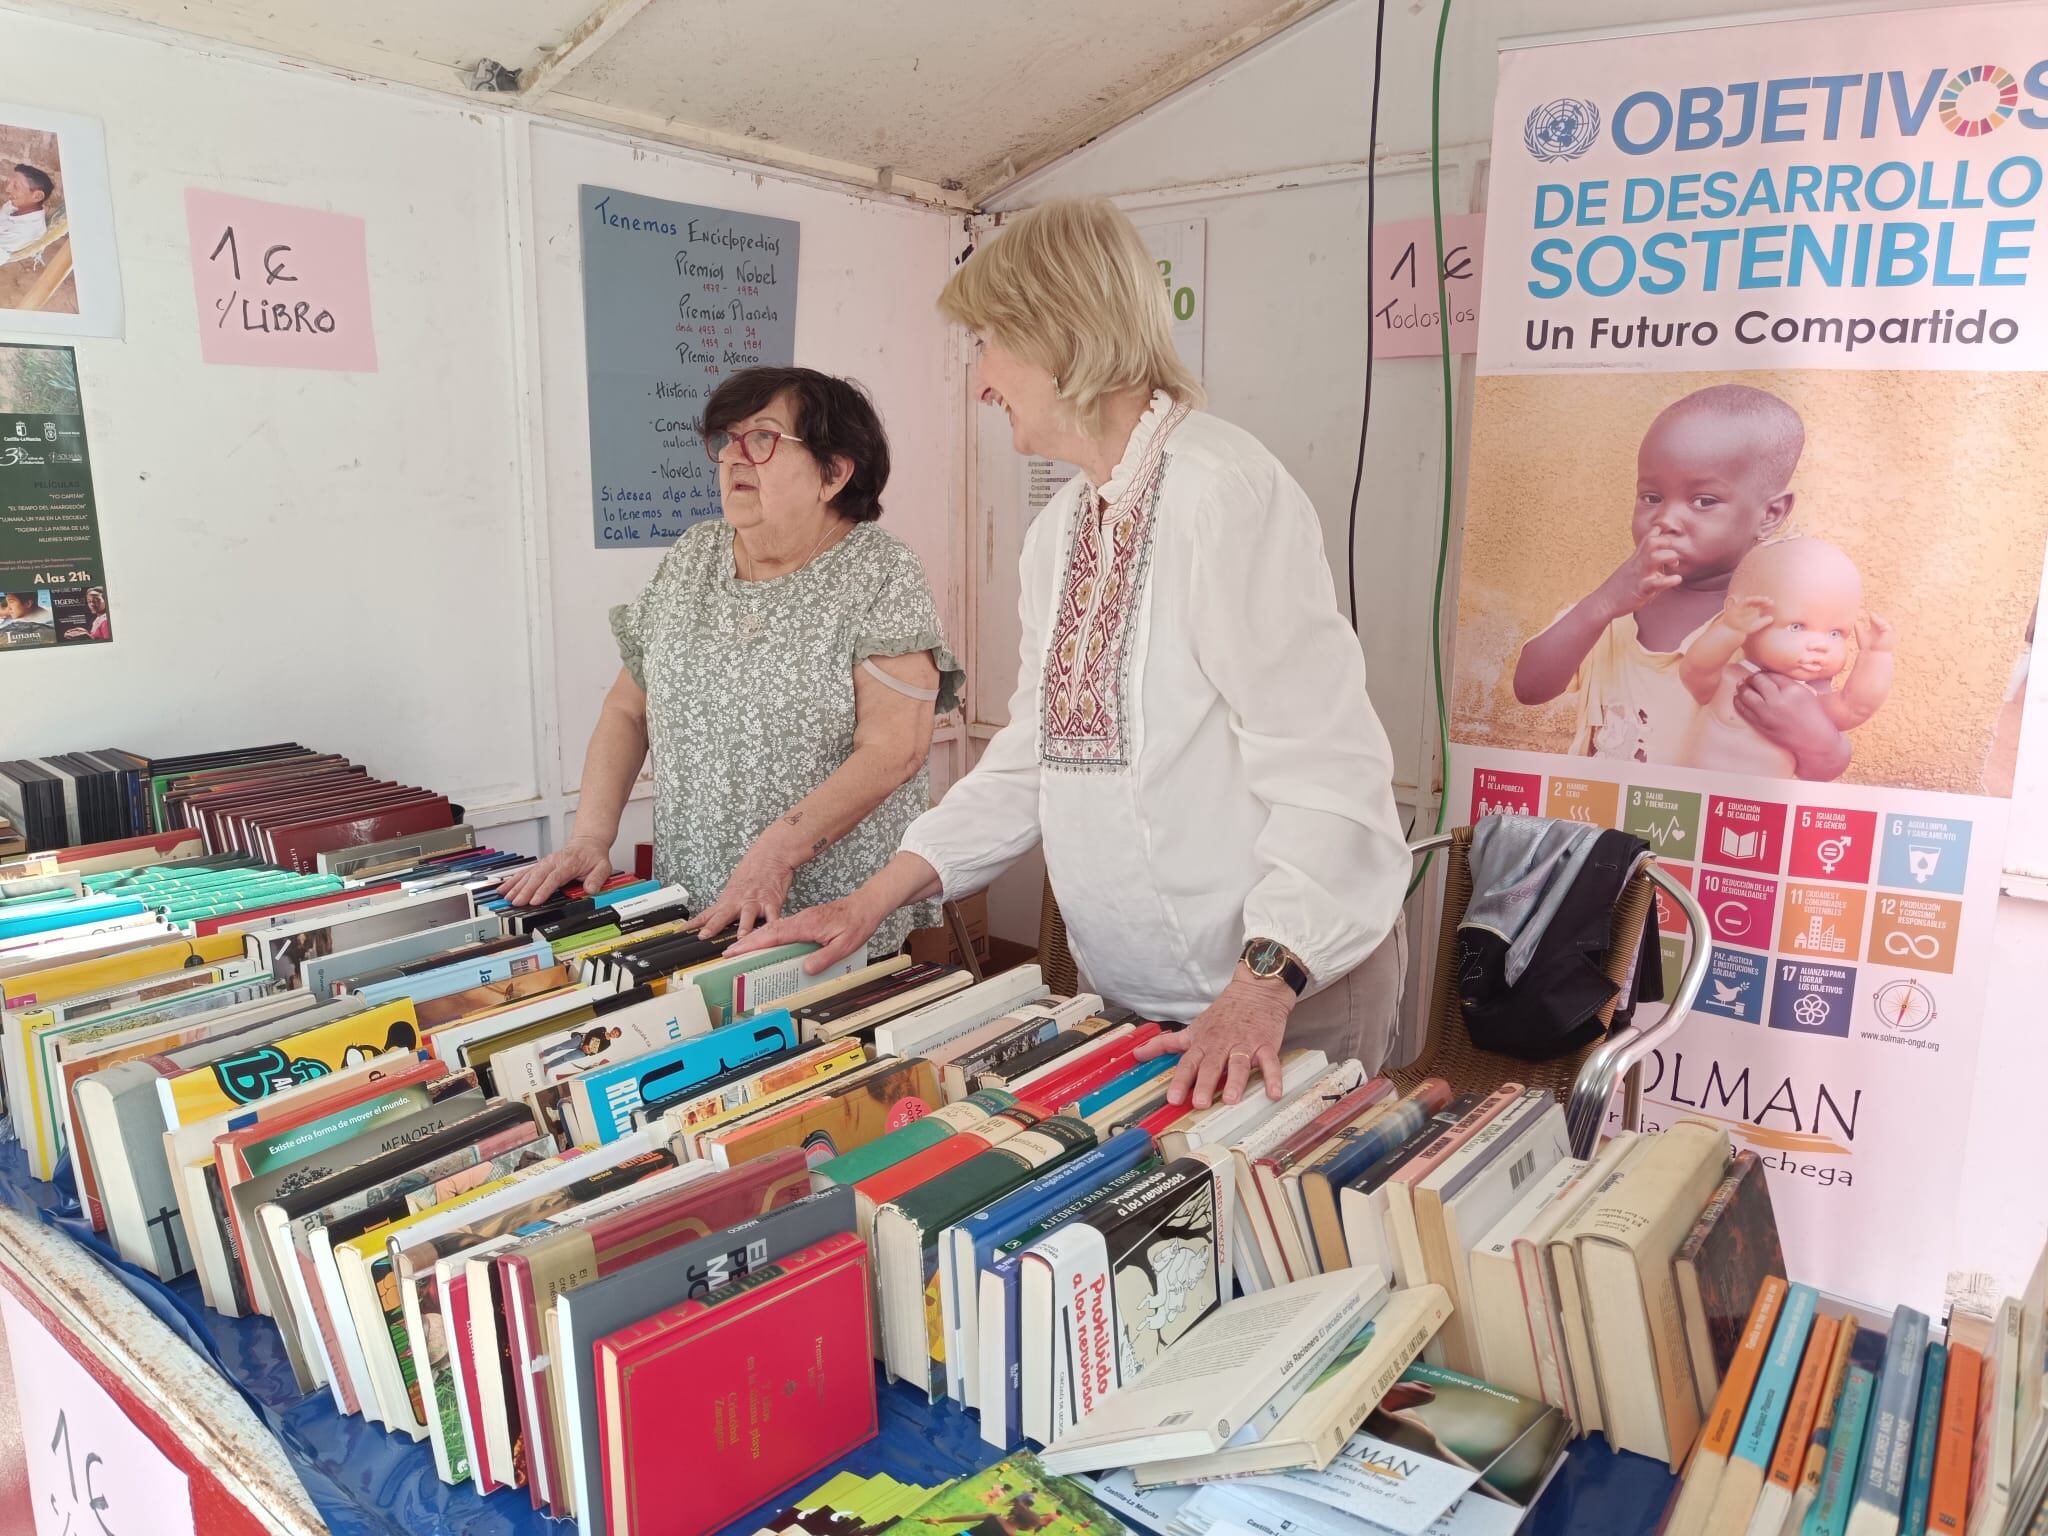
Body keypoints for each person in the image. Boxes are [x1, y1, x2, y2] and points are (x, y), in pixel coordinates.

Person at [735, 199, 1411, 1110]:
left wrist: (1262, 983)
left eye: (987, 343)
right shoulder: (1061, 531)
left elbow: (1329, 769)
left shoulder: (1224, 492)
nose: (981, 381)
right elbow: (1032, 758)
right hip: (1140, 1001)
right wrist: (871, 901)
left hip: (1285, 993)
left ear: (1058, 333)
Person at [498, 367, 963, 959]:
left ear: (834, 472)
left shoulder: (880, 573)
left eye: (763, 438)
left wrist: (775, 855)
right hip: (691, 905)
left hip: (827, 920)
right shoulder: (694, 556)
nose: (734, 459)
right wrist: (591, 835)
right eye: (725, 439)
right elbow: (627, 710)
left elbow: (895, 750)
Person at [1512, 384, 1851, 779]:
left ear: (1770, 513)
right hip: (1605, 829)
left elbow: (1827, 764)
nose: (1666, 520)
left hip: (1710, 833)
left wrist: (1815, 738)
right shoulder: (1612, 611)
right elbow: (1529, 688)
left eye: (1704, 501)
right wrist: (1603, 604)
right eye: (1651, 497)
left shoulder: (1773, 626)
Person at [1678, 538, 1893, 775]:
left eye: (1835, 633)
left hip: (1762, 808)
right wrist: (1729, 630)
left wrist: (1876, 657)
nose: (1819, 645)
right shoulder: (1726, 680)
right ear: (1743, 613)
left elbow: (1855, 708)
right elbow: (1694, 668)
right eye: (1797, 627)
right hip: (1699, 801)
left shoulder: (1809, 701)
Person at [0, 164, 52, 255]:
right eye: (10, 183)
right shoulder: (15, 204)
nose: (7, 189)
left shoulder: (25, 231)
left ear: (37, 196)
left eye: (16, 186)